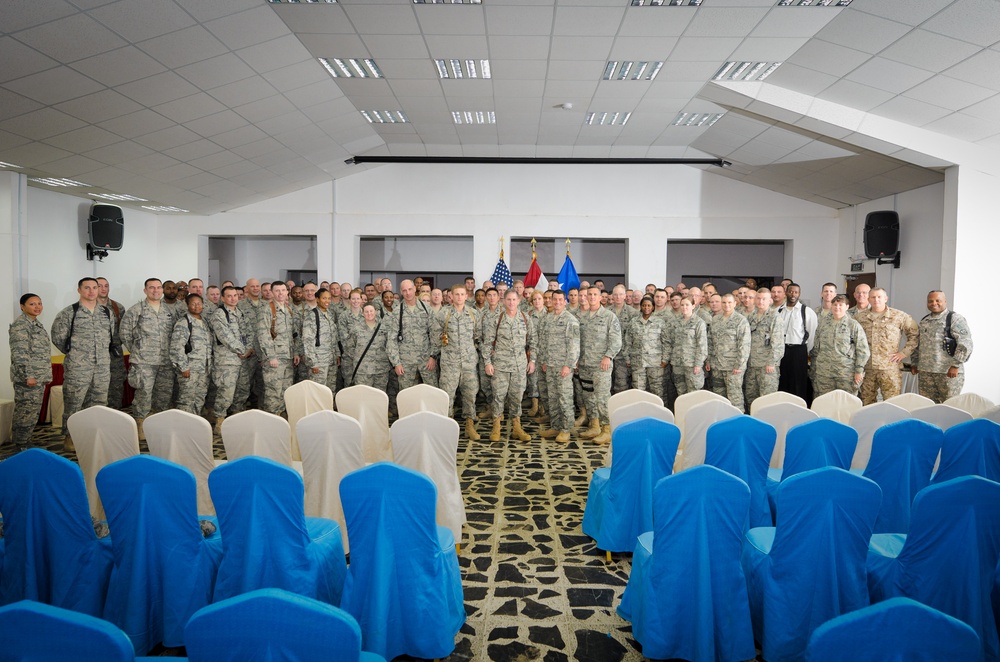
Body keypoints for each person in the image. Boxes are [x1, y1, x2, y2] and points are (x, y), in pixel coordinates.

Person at [50, 278, 113, 450]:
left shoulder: (106, 312)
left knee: (99, 403)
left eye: (95, 287)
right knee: (74, 403)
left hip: (102, 367)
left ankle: (94, 435)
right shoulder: (69, 313)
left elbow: (110, 337)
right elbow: (58, 338)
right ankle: (70, 437)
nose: (92, 291)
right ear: (79, 290)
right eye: (87, 288)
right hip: (78, 367)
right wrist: (77, 355)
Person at [120, 278, 175, 440]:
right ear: (145, 290)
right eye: (152, 288)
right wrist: (138, 349)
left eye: (158, 288)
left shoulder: (169, 311)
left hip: (165, 361)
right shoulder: (136, 310)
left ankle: (159, 424)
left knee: (164, 395)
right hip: (144, 362)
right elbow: (124, 333)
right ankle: (140, 424)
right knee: (144, 393)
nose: (155, 290)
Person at [484, 289, 537, 442]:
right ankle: (496, 427)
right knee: (498, 396)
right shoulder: (496, 319)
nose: (511, 303)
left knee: (517, 397)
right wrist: (487, 362)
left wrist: (532, 360)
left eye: (514, 300)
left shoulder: (525, 318)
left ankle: (517, 427)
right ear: (503, 301)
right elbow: (487, 343)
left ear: (519, 300)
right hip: (500, 366)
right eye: (508, 300)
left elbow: (533, 341)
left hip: (520, 366)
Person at [854, 287, 918, 405]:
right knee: (866, 402)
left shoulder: (900, 316)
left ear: (886, 299)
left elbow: (914, 335)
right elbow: (852, 340)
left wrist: (903, 353)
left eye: (879, 297)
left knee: (892, 403)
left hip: (890, 368)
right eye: (873, 297)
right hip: (867, 369)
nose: (876, 299)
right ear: (868, 299)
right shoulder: (859, 318)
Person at [433, 284, 481, 440]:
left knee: (470, 394)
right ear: (451, 297)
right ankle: (447, 428)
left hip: (468, 363)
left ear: (466, 296)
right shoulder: (443, 314)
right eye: (457, 294)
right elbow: (435, 337)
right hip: (450, 363)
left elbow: (478, 337)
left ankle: (469, 425)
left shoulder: (474, 314)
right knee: (447, 395)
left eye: (462, 294)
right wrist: (433, 355)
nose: (460, 297)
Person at [577, 286, 622, 445]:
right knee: (588, 396)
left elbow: (616, 341)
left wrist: (608, 356)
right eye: (589, 294)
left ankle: (606, 429)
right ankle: (594, 425)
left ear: (601, 297)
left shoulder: (609, 316)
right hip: (585, 364)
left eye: (595, 294)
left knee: (602, 397)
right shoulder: (582, 317)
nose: (591, 297)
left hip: (601, 365)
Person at [911, 290, 973, 403]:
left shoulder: (954, 319)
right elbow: (918, 343)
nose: (934, 303)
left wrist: (955, 365)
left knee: (949, 406)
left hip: (948, 373)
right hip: (926, 372)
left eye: (938, 300)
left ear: (945, 301)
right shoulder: (925, 321)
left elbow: (965, 343)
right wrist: (915, 363)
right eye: (930, 301)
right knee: (927, 406)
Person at [9, 293, 52, 450]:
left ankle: (25, 442)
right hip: (28, 378)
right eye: (32, 304)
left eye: (39, 303)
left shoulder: (36, 324)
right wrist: (29, 375)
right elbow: (20, 353)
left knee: (32, 412)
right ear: (22, 306)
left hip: (38, 377)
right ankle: (20, 445)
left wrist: (45, 375)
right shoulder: (21, 325)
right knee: (25, 412)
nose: (37, 307)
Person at [538, 290, 580, 443]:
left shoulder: (570, 320)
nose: (556, 302)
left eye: (560, 299)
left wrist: (568, 365)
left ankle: (566, 429)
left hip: (563, 366)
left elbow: (574, 346)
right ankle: (555, 426)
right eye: (554, 299)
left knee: (564, 398)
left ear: (565, 301)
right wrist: (543, 361)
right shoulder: (548, 319)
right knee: (553, 397)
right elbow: (543, 342)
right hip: (550, 365)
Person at [210, 285, 254, 432]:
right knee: (226, 393)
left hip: (243, 360)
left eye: (235, 295)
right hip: (227, 361)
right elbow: (225, 337)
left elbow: (249, 332)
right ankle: (220, 421)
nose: (233, 298)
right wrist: (243, 350)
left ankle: (237, 418)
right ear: (223, 298)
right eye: (229, 296)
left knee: (242, 391)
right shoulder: (219, 314)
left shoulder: (240, 313)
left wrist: (248, 349)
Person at [810, 295, 870, 398]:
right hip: (824, 373)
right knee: (825, 401)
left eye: (840, 305)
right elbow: (816, 347)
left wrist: (859, 371)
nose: (837, 307)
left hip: (845, 373)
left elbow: (863, 350)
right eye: (835, 304)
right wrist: (814, 368)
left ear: (847, 307)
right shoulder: (823, 324)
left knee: (846, 402)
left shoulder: (853, 325)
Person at [387, 279, 438, 391]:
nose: (408, 293)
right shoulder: (397, 312)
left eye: (410, 289)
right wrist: (396, 363)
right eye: (404, 290)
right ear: (401, 292)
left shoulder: (426, 308)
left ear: (415, 289)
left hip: (426, 359)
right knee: (407, 395)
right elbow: (391, 340)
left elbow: (435, 334)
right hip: (406, 361)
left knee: (432, 392)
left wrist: (433, 356)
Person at [257, 281, 298, 416]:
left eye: (283, 290)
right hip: (275, 358)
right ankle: (273, 419)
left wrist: (296, 353)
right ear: (272, 293)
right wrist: (271, 356)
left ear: (287, 292)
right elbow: (263, 334)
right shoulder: (267, 309)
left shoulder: (288, 309)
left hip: (288, 356)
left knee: (286, 390)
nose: (281, 293)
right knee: (273, 391)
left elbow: (293, 334)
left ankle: (280, 415)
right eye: (277, 291)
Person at [170, 294, 214, 415]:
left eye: (199, 303)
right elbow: (176, 347)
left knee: (200, 398)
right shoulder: (184, 322)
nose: (196, 306)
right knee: (186, 400)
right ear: (187, 305)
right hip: (190, 369)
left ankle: (195, 424)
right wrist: (183, 367)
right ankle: (183, 427)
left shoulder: (204, 322)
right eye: (193, 303)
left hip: (204, 369)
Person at [707, 293, 751, 410]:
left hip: (733, 367)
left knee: (734, 398)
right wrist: (709, 360)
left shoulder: (741, 321)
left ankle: (738, 422)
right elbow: (710, 342)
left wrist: (739, 365)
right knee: (718, 397)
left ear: (735, 304)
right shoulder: (715, 320)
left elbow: (744, 345)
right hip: (717, 365)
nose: (727, 305)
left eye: (729, 302)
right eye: (724, 302)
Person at [777, 282, 817, 403]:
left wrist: (804, 350)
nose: (793, 294)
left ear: (799, 294)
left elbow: (812, 335)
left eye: (796, 292)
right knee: (782, 380)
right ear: (786, 293)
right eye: (790, 291)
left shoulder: (807, 312)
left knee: (798, 382)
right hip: (782, 351)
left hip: (798, 351)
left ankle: (799, 407)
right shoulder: (778, 311)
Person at [746, 288, 785, 409]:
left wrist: (771, 363)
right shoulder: (751, 316)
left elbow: (778, 343)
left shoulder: (775, 317)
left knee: (767, 399)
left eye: (764, 299)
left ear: (770, 301)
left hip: (767, 366)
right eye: (758, 298)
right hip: (752, 365)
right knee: (751, 397)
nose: (760, 301)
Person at [627, 296, 668, 400]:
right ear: (641, 306)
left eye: (649, 305)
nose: (646, 307)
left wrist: (665, 359)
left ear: (653, 307)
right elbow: (627, 341)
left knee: (657, 389)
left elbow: (666, 342)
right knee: (638, 389)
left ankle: (658, 412)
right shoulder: (633, 322)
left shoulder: (660, 322)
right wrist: (627, 358)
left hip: (655, 362)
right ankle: (640, 413)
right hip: (638, 361)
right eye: (644, 305)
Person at [301, 288, 340, 394]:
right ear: (317, 299)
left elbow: (334, 337)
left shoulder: (330, 314)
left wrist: (337, 354)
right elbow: (308, 340)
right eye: (324, 298)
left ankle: (328, 409)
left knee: (330, 390)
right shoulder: (312, 316)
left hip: (331, 360)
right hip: (319, 361)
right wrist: (313, 363)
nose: (327, 301)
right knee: (318, 392)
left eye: (329, 298)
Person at [668, 296, 708, 396]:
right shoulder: (675, 322)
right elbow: (671, 341)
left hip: (692, 364)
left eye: (687, 305)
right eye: (682, 305)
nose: (684, 307)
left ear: (693, 306)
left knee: (694, 393)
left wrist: (698, 364)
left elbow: (702, 345)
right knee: (680, 392)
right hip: (678, 363)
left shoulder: (699, 323)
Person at [96, 277, 126, 409]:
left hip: (115, 357)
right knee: (96, 393)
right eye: (99, 286)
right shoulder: (85, 308)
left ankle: (115, 422)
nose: (103, 288)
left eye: (106, 286)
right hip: (94, 357)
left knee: (116, 390)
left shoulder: (117, 307)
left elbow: (125, 331)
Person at [350, 304, 391, 391]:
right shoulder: (356, 328)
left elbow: (390, 346)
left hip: (381, 369)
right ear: (362, 313)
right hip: (363, 370)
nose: (369, 313)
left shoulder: (384, 327)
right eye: (366, 311)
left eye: (371, 311)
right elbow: (350, 348)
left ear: (375, 312)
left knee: (380, 396)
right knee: (364, 396)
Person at [609, 284, 637, 394]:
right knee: (607, 384)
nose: (618, 297)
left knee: (622, 385)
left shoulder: (633, 313)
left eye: (620, 294)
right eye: (615, 294)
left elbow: (634, 337)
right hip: (608, 355)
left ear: (625, 296)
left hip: (624, 356)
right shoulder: (606, 312)